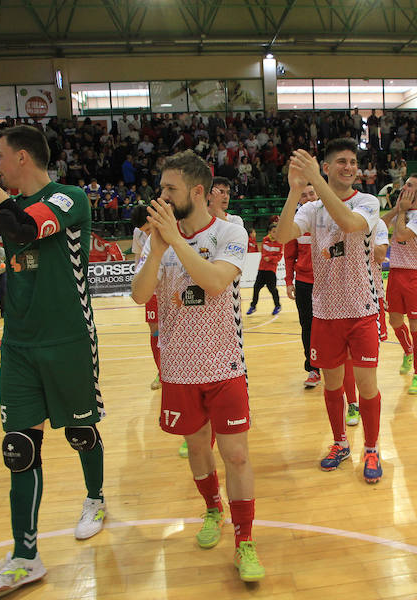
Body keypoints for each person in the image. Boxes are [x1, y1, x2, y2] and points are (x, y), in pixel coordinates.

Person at [0, 125, 107, 597]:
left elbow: (21, 227)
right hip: (19, 345)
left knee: (80, 431)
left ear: (24, 158)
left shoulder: (69, 198)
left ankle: (95, 498)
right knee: (20, 449)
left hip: (69, 338)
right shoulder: (0, 202)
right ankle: (25, 556)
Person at [130, 150, 265, 583]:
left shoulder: (231, 231)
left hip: (224, 365)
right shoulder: (158, 238)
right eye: (161, 188)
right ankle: (212, 509)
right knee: (199, 449)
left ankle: (245, 540)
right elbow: (138, 295)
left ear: (198, 192)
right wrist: (156, 249)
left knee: (237, 454)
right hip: (179, 369)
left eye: (170, 189)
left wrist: (177, 240)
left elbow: (214, 280)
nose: (162, 196)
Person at [276, 138, 384, 484]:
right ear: (326, 167)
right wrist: (296, 191)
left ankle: (372, 448)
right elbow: (282, 235)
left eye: (353, 161)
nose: (350, 167)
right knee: (332, 385)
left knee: (367, 386)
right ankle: (340, 443)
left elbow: (350, 223)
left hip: (361, 308)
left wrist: (315, 184)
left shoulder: (368, 201)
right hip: (325, 312)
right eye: (342, 161)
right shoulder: (311, 208)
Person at [381, 174, 417, 394]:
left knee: (416, 326)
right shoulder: (402, 210)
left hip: (415, 275)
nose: (404, 187)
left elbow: (402, 235)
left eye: (410, 185)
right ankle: (408, 351)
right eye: (405, 184)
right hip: (395, 272)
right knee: (394, 321)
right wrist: (397, 209)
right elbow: (381, 225)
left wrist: (402, 212)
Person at [284, 183, 320, 388]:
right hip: (305, 283)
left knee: (331, 327)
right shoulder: (294, 223)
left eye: (311, 193)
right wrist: (289, 281)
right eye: (303, 195)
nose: (308, 198)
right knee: (308, 327)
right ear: (298, 200)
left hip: (328, 283)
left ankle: (333, 365)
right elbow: (289, 255)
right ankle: (313, 369)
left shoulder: (329, 218)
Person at [129, 205, 162, 392]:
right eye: (144, 232)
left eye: (149, 229)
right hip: (151, 288)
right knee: (154, 328)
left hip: (168, 286)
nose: (148, 234)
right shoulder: (138, 233)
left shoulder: (169, 227)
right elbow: (138, 257)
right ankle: (161, 371)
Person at [246, 220, 283, 315]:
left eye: (277, 231)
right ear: (269, 232)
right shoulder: (265, 239)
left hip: (271, 270)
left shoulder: (280, 242)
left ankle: (277, 305)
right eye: (274, 231)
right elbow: (263, 253)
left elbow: (279, 257)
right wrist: (269, 257)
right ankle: (253, 306)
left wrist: (270, 258)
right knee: (256, 287)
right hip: (262, 268)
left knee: (272, 289)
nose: (275, 233)